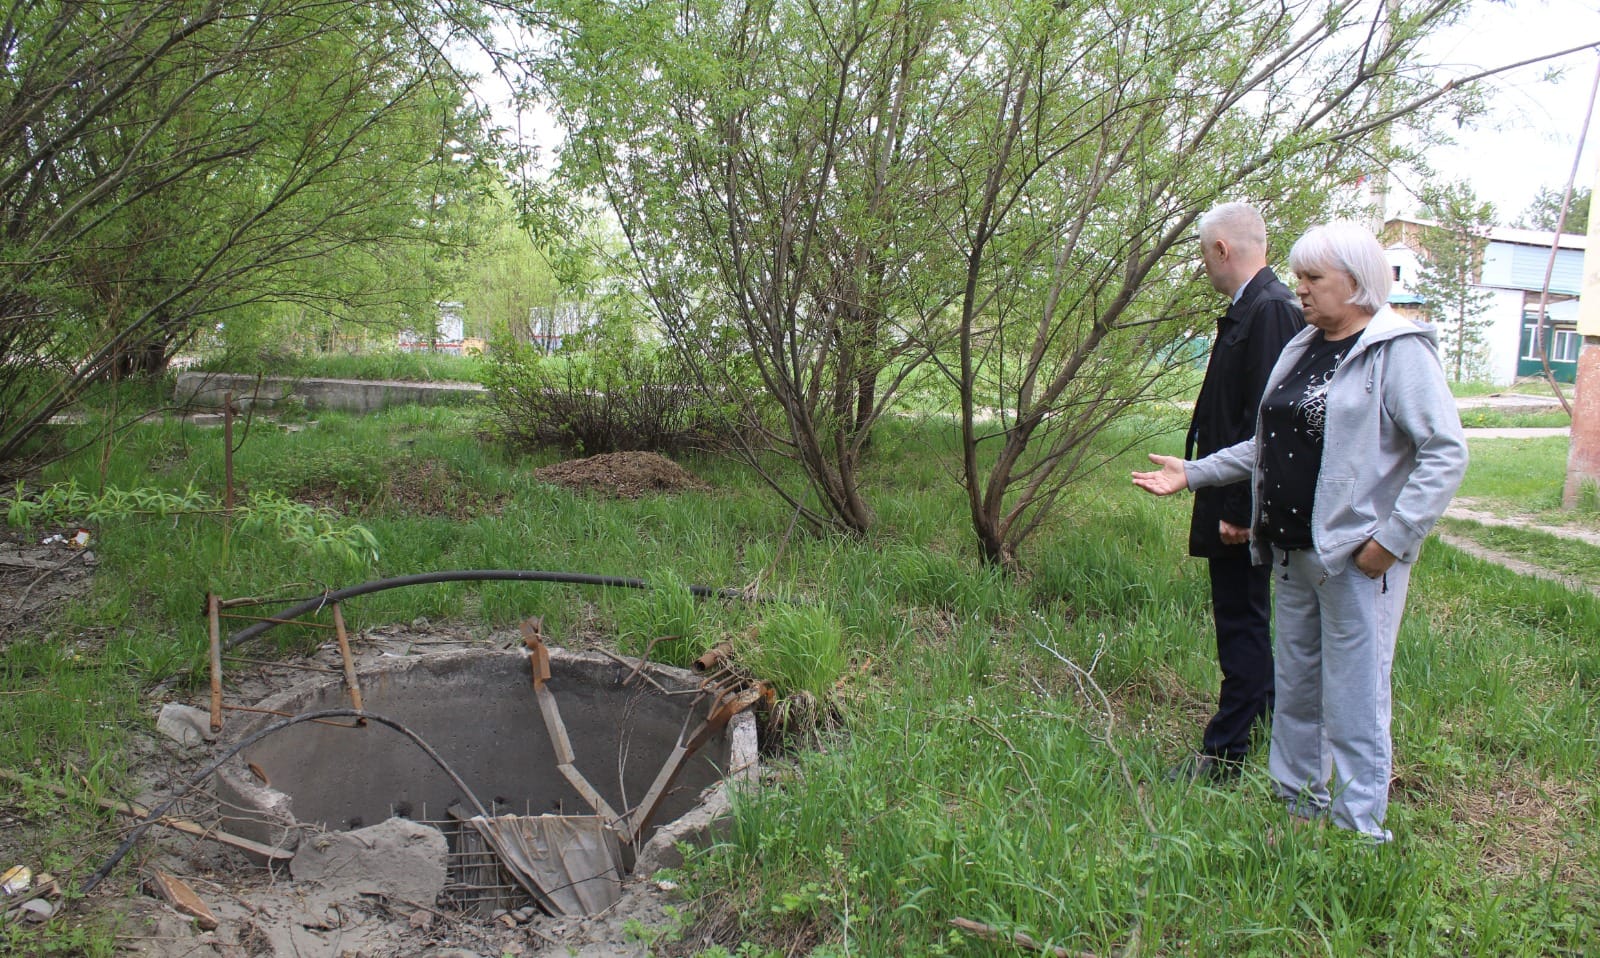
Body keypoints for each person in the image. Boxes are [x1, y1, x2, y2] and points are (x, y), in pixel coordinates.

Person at [1132, 221, 1467, 842]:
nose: (1301, 290)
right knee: (1299, 694)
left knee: (1355, 699)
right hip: (1291, 551)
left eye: (1314, 278)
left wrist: (1392, 540)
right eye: (1300, 277)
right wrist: (1196, 473)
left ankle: (1357, 830)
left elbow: (1444, 454)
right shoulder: (1306, 346)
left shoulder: (1397, 349)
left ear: (1358, 280)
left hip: (1355, 558)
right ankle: (1298, 808)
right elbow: (1267, 444)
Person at [1171, 202, 1304, 785]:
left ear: (1222, 249)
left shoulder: (1271, 310)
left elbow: (1270, 425)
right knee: (1242, 616)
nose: (1204, 266)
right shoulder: (1251, 306)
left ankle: (1226, 753)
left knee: (1241, 621)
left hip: (1240, 502)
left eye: (1204, 254)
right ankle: (1269, 725)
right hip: (1228, 488)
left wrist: (1242, 510)